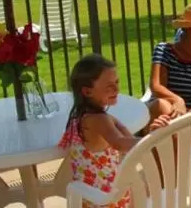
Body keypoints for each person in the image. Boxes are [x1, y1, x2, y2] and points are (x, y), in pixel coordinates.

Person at [59, 54, 169, 208]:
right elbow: (121, 143)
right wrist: (153, 138)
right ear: (87, 92)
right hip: (108, 198)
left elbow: (129, 140)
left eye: (116, 82)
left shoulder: (83, 117)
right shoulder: (97, 120)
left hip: (91, 196)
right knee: (138, 186)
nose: (116, 89)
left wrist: (151, 132)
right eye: (109, 86)